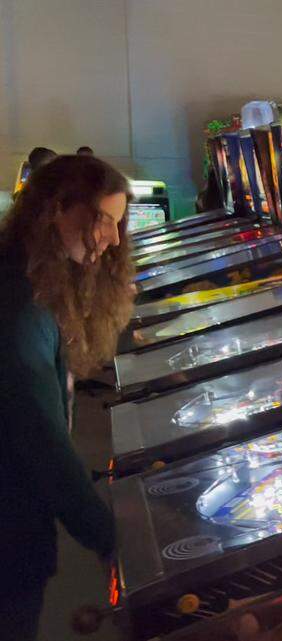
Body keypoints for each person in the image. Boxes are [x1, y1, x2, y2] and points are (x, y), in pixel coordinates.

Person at [0, 155, 134, 641]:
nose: (114, 239)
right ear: (60, 209)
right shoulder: (21, 312)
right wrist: (107, 536)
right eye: (105, 220)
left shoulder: (24, 284)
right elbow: (42, 442)